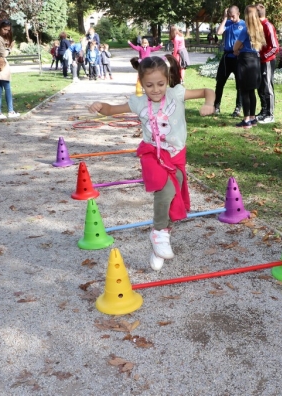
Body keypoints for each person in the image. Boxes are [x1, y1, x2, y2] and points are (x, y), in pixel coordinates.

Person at [87, 56, 215, 271]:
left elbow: (207, 90)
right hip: (152, 153)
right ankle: (158, 233)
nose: (155, 89)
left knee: (174, 196)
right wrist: (99, 106)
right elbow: (111, 110)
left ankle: (161, 240)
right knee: (164, 190)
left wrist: (209, 103)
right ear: (141, 83)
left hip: (176, 154)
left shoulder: (177, 94)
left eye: (160, 84)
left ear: (168, 80)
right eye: (149, 85)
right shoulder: (138, 102)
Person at [233, 5, 265, 129]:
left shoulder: (245, 29)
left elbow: (235, 47)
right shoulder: (259, 28)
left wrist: (238, 48)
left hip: (245, 60)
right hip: (255, 60)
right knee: (252, 91)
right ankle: (252, 117)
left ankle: (246, 120)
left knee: (244, 90)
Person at [214, 6, 244, 117]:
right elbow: (219, 32)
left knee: (240, 85)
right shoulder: (228, 23)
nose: (232, 18)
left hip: (238, 58)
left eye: (233, 16)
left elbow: (246, 41)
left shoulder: (244, 25)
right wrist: (225, 18)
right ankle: (216, 106)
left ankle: (238, 108)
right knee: (220, 82)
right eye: (230, 16)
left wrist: (240, 50)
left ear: (239, 13)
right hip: (227, 58)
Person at [256, 4, 279, 124]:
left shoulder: (268, 26)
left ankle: (270, 114)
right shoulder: (258, 27)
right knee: (260, 87)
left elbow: (275, 47)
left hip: (268, 61)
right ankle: (263, 111)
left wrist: (264, 56)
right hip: (260, 61)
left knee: (267, 86)